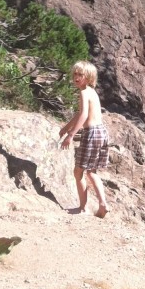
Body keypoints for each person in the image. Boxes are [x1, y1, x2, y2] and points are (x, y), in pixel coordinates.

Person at [59, 61, 110, 217]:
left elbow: (84, 115)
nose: (76, 77)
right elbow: (80, 113)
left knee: (78, 171)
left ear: (88, 77)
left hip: (92, 133)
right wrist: (66, 127)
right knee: (91, 171)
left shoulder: (83, 92)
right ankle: (103, 204)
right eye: (75, 74)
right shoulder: (90, 92)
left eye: (80, 75)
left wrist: (71, 135)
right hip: (102, 132)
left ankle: (82, 208)